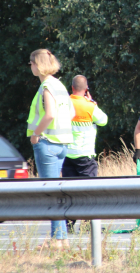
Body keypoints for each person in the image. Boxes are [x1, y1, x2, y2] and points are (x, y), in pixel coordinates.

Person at [27, 48, 74, 249]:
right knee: (58, 192)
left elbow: (50, 114)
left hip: (47, 144)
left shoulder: (46, 85)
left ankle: (57, 240)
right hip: (62, 144)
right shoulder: (60, 85)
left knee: (52, 194)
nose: (30, 67)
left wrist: (36, 134)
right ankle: (61, 239)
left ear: (38, 64)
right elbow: (71, 113)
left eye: (31, 63)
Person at [62, 74, 108, 231]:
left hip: (67, 154)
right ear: (86, 89)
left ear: (72, 88)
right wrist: (92, 102)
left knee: (69, 193)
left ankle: (68, 224)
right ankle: (88, 225)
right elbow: (103, 120)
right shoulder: (89, 106)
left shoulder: (64, 103)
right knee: (89, 193)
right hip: (85, 156)